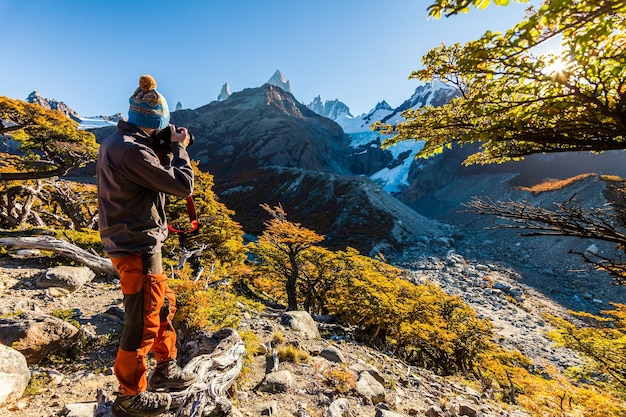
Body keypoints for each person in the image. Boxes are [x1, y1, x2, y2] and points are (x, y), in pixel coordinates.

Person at [97, 75, 196, 416]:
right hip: (135, 245)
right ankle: (130, 396)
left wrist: (164, 146)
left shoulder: (120, 142)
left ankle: (165, 368)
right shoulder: (132, 151)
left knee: (162, 305)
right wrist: (180, 149)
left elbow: (149, 173)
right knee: (141, 320)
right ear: (154, 123)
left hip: (139, 241)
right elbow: (182, 186)